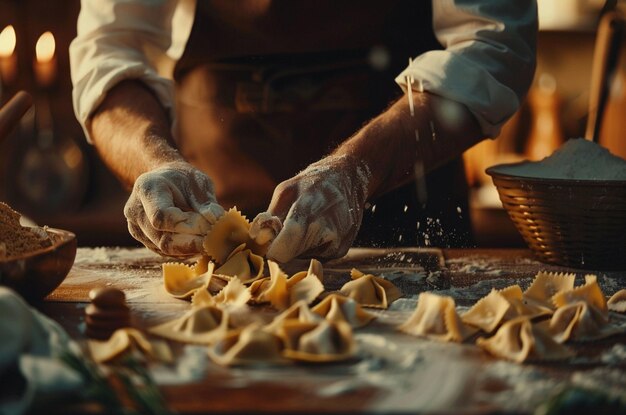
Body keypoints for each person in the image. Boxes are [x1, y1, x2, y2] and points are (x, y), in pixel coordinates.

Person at [70, 0, 537, 262]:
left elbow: (494, 44)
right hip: (211, 227)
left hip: (406, 220)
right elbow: (109, 49)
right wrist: (154, 163)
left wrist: (356, 170)